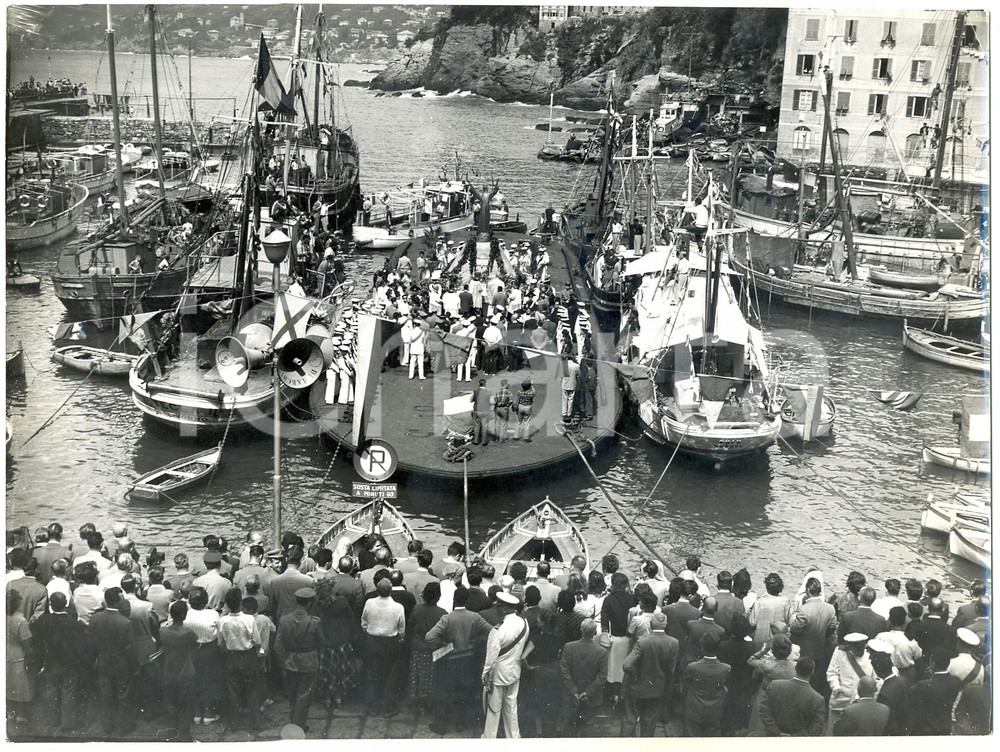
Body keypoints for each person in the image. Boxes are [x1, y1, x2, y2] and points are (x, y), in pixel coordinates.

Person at [425, 585, 494, 735]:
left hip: (451, 660)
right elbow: (492, 631)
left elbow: (429, 637)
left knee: (445, 692)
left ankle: (442, 725)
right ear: (467, 600)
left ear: (454, 599)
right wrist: (476, 641)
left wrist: (443, 643)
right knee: (463, 692)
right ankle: (460, 723)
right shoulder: (475, 617)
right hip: (468, 659)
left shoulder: (447, 618)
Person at [481, 591, 531, 739]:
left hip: (498, 674)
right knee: (511, 706)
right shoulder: (523, 623)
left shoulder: (498, 630)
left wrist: (485, 674)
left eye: (498, 607)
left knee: (493, 708)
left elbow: (491, 657)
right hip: (515, 671)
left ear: (504, 609)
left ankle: (490, 737)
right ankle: (513, 737)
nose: (495, 609)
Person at [620, 611, 678, 737]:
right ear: (665, 625)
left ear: (651, 625)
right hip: (657, 688)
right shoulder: (674, 643)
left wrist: (636, 674)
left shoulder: (642, 642)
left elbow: (627, 665)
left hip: (637, 687)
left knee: (629, 719)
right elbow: (671, 670)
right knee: (649, 722)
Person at [275, 587, 324, 730]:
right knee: (305, 694)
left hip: (290, 661)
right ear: (309, 604)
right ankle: (299, 724)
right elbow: (321, 642)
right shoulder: (314, 622)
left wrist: (282, 661)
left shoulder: (284, 620)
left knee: (292, 692)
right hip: (309, 661)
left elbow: (278, 644)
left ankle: (294, 718)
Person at [89, 588, 137, 735]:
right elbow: (130, 648)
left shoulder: (95, 618)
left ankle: (107, 726)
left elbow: (92, 642)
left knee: (106, 695)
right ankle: (124, 727)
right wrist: (133, 666)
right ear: (118, 602)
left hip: (103, 662)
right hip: (121, 665)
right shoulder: (125, 622)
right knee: (123, 695)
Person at [361, 578, 405, 716]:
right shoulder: (398, 607)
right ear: (391, 590)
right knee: (390, 675)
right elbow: (401, 628)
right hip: (390, 642)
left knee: (373, 673)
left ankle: (373, 707)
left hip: (372, 641)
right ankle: (388, 707)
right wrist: (400, 639)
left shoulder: (369, 603)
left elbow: (364, 622)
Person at [790, 576, 837, 697]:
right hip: (821, 647)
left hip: (804, 649)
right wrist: (824, 634)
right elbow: (832, 626)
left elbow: (795, 629)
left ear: (807, 591)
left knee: (802, 677)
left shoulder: (804, 609)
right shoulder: (830, 608)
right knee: (815, 678)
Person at [758, 657, 827, 736]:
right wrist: (793, 737)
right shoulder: (818, 699)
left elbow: (764, 711)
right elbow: (816, 727)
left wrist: (776, 733)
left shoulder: (774, 685)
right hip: (799, 742)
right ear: (812, 672)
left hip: (773, 738)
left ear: (796, 668)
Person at [161, 600, 199, 742]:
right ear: (184, 615)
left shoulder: (163, 631)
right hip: (186, 672)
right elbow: (195, 644)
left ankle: (172, 734)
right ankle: (184, 736)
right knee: (185, 707)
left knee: (171, 705)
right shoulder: (188, 632)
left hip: (169, 672)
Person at [682, 632, 731, 736]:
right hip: (714, 710)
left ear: (702, 647)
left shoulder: (692, 667)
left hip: (694, 708)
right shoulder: (726, 668)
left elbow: (686, 682)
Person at [826, 632, 875, 731]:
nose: (860, 651)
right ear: (849, 646)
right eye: (857, 648)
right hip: (841, 700)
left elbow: (875, 678)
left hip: (861, 704)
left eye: (861, 648)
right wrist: (836, 687)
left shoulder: (870, 654)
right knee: (834, 732)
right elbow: (832, 672)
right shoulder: (839, 652)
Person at [908, 648, 963, 735]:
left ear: (933, 664)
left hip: (927, 729)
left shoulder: (922, 685)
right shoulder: (956, 681)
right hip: (946, 726)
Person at [748, 572, 793, 644]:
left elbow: (752, 623)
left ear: (767, 587)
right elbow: (790, 622)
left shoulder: (759, 602)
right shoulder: (785, 601)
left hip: (760, 640)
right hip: (778, 641)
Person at [472, 379, 493, 446]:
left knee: (476, 426)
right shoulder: (488, 392)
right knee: (484, 426)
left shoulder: (475, 391)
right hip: (485, 410)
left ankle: (475, 441)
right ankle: (484, 441)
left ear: (479, 384)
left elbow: (471, 400)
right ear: (485, 384)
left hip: (476, 410)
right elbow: (492, 401)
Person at [561, 356, 579, 422]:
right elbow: (578, 375)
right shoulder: (576, 366)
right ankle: (569, 413)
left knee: (564, 399)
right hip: (572, 384)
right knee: (571, 399)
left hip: (565, 384)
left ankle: (564, 413)